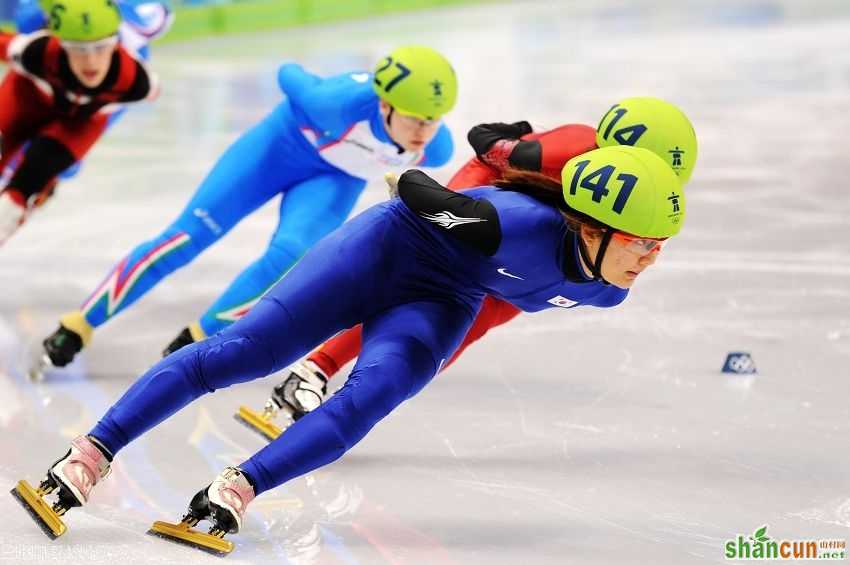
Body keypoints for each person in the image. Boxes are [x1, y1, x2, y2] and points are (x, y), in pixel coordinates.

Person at [15, 143, 688, 550]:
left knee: (373, 397)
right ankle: (90, 454)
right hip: (384, 250)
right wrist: (420, 185)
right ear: (594, 225)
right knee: (245, 352)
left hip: (444, 297)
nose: (651, 259)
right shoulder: (513, 220)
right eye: (642, 242)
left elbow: (513, 291)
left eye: (661, 247)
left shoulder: (607, 289)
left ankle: (237, 487)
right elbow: (428, 195)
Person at [245, 96, 698, 436]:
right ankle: (314, 370)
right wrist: (509, 137)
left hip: (550, 240)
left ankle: (362, 395)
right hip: (488, 204)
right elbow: (484, 141)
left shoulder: (636, 193)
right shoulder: (566, 150)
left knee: (466, 328)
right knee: (421, 292)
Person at [35, 44, 457, 373]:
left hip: (332, 181)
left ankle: (196, 339)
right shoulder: (337, 102)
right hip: (279, 148)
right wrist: (317, 88)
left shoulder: (436, 148)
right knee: (187, 236)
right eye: (415, 119)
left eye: (433, 120)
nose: (424, 132)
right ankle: (78, 325)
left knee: (290, 256)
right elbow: (289, 74)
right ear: (384, 104)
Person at [0, 0, 159, 245]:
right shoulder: (37, 49)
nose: (91, 62)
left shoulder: (137, 83)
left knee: (14, 200)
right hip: (29, 97)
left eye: (100, 48)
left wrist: (49, 169)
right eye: (79, 49)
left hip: (79, 119)